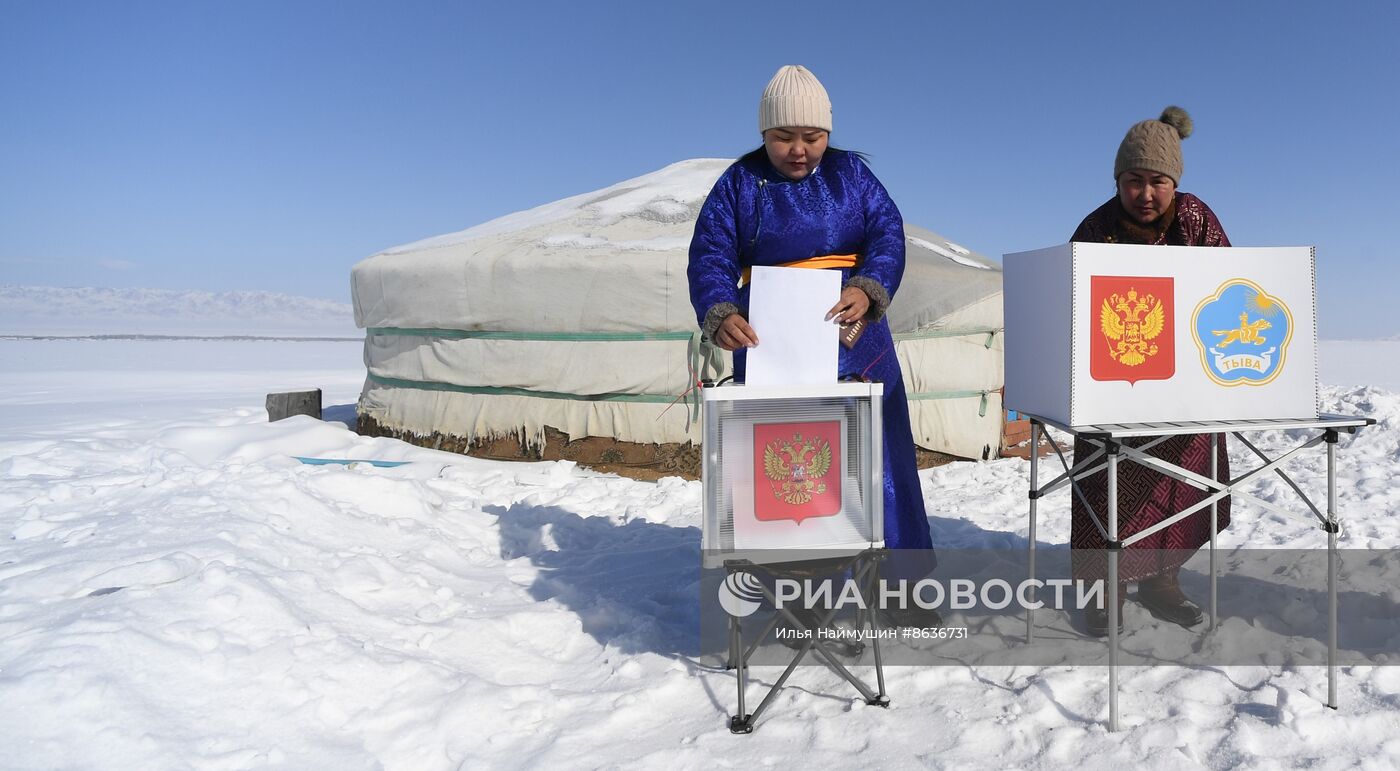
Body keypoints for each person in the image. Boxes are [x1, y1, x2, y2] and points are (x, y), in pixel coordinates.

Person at [687, 65, 936, 622]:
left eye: (812, 137)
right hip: (775, 345)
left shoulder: (852, 176)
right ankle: (802, 596)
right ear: (763, 134)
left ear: (829, 132)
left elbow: (887, 235)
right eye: (783, 137)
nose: (798, 150)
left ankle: (901, 587)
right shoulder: (739, 182)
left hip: (856, 339)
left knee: (881, 461)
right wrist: (719, 310)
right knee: (793, 467)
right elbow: (710, 255)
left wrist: (870, 288)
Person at [1071, 106, 1231, 636]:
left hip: (1185, 384)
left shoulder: (1197, 219)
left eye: (1157, 181)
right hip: (1111, 384)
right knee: (1106, 486)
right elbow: (1071, 298)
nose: (1145, 194)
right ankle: (1103, 591)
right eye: (1133, 181)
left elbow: (1228, 288)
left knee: (1177, 487)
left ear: (1175, 181)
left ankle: (1163, 581)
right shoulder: (1095, 228)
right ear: (1118, 181)